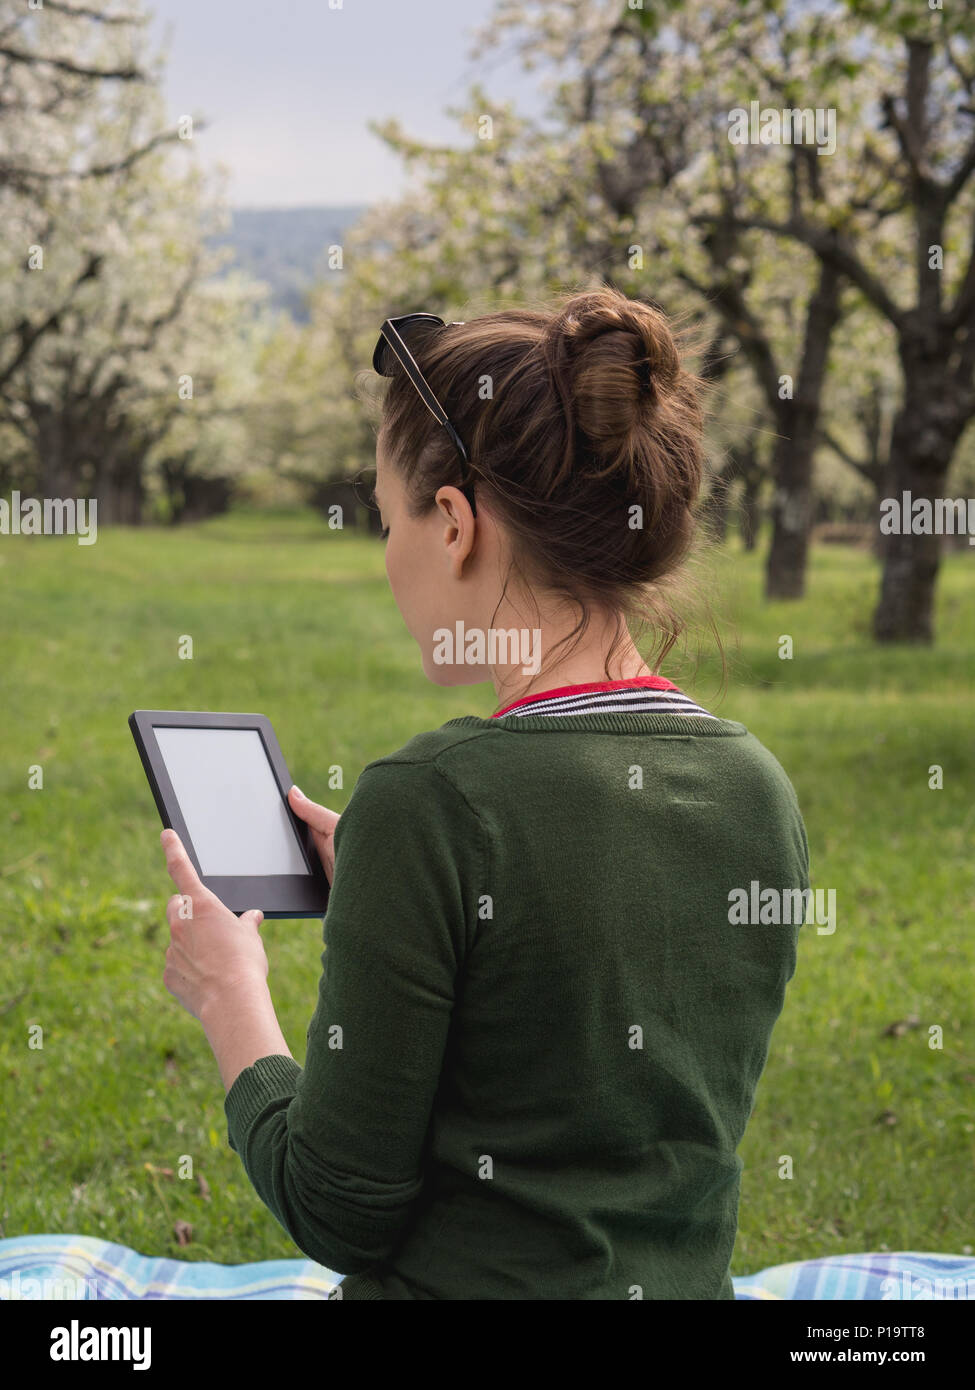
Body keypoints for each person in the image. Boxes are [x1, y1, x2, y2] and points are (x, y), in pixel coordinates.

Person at [164, 285, 809, 1300]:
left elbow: (337, 1206)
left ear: (455, 524)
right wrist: (400, 891)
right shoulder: (758, 788)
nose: (387, 559)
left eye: (387, 522)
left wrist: (228, 994)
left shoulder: (433, 805)